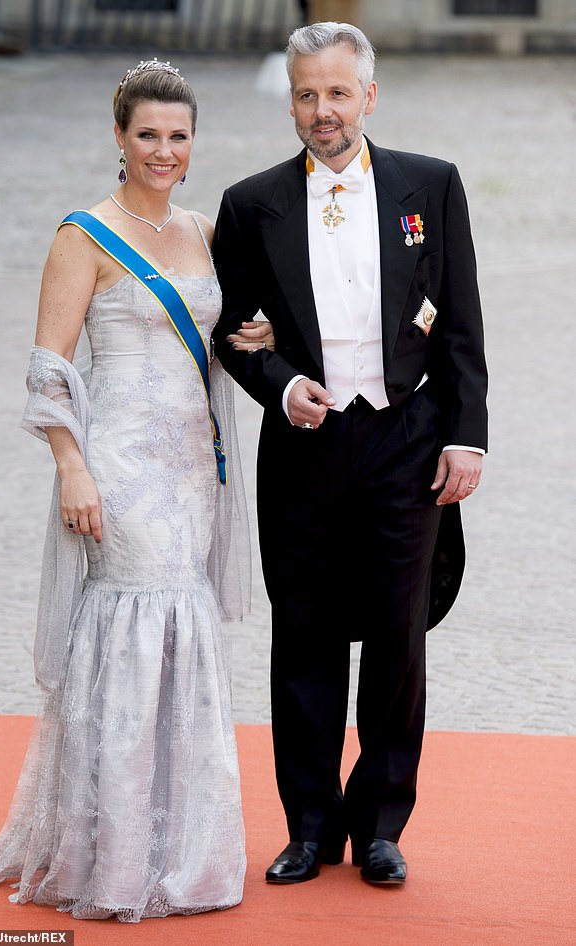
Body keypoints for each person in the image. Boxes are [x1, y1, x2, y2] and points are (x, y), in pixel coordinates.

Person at [0, 58, 273, 921]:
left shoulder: (202, 230)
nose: (163, 150)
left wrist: (247, 334)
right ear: (118, 137)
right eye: (147, 134)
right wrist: (72, 464)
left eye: (178, 137)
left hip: (191, 465)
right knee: (133, 627)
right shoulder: (83, 234)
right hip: (119, 465)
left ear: (192, 145)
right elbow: (48, 366)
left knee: (182, 626)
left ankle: (182, 847)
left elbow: (211, 339)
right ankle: (109, 852)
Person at [211, 22, 488, 887]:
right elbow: (230, 333)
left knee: (400, 641)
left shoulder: (429, 186)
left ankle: (378, 827)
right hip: (305, 445)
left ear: (368, 95)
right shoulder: (250, 203)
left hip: (406, 442)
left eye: (337, 93)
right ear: (289, 98)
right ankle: (307, 826)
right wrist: (280, 384)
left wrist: (466, 434)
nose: (321, 110)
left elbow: (465, 325)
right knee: (304, 638)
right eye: (306, 94)